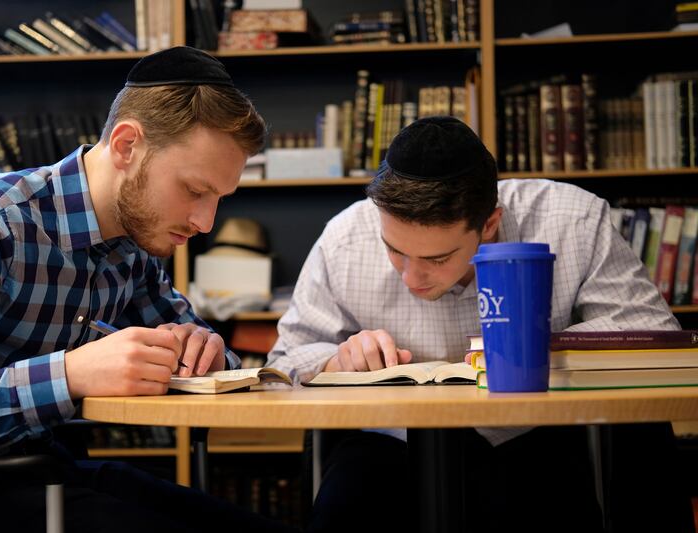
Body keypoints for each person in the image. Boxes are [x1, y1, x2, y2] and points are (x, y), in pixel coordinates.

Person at [0, 46, 298, 533]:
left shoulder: (133, 245)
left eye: (218, 198)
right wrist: (66, 377)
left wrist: (209, 352)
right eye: (195, 190)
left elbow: (201, 350)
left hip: (45, 471)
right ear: (128, 145)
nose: (204, 221)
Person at [267, 116, 695, 532]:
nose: (411, 279)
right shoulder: (344, 237)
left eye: (437, 258)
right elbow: (284, 362)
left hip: (533, 434)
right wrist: (336, 361)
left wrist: (543, 346)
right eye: (395, 250)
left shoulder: (573, 220)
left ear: (488, 224)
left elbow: (653, 327)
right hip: (389, 444)